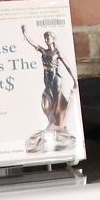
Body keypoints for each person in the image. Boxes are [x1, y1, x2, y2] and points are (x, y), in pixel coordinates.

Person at [20, 25, 78, 154]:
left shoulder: (57, 53)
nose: (46, 40)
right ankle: (51, 122)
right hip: (46, 77)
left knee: (55, 100)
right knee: (46, 100)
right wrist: (24, 34)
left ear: (52, 38)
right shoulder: (43, 51)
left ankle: (56, 124)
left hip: (55, 78)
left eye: (48, 38)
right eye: (45, 38)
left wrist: (74, 80)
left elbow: (67, 66)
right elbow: (32, 43)